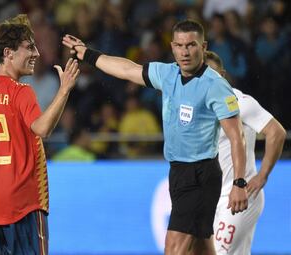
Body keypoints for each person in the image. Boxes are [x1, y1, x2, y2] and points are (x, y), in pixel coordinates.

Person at [63, 19, 248, 255]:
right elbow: (126, 69)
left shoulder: (215, 85)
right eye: (179, 46)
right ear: (172, 47)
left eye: (191, 45)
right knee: (202, 247)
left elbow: (237, 136)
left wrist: (239, 182)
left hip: (201, 175)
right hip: (178, 172)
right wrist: (87, 54)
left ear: (203, 47)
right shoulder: (166, 73)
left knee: (173, 248)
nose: (185, 52)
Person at [0, 14, 79, 254]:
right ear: (8, 53)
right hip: (22, 202)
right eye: (29, 47)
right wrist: (64, 90)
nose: (37, 54)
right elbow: (42, 129)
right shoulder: (21, 92)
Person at [204, 51, 286, 255]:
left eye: (212, 74)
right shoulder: (198, 106)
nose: (207, 79)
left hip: (238, 195)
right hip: (208, 197)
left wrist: (262, 176)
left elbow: (276, 132)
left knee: (219, 252)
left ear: (222, 75)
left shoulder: (239, 102)